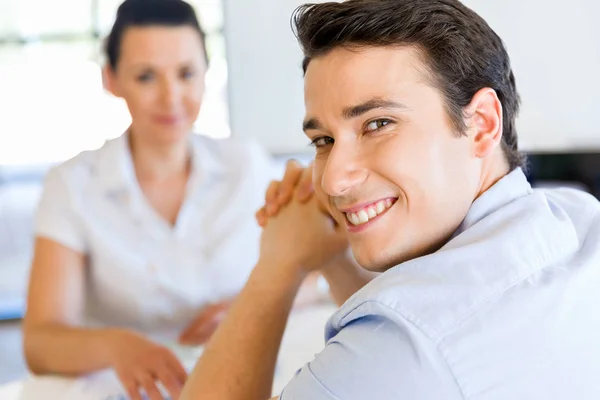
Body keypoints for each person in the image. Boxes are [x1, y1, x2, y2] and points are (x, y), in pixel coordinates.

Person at [180, 0, 600, 399]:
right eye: (323, 140)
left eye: (378, 124)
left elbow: (404, 347)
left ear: (483, 124)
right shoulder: (578, 218)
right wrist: (332, 257)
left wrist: (278, 266)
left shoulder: (400, 349)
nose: (333, 180)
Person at [21, 1, 289, 399]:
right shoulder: (73, 185)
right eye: (146, 76)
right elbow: (40, 342)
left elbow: (312, 273)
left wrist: (249, 309)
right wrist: (118, 346)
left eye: (186, 73)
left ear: (205, 74)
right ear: (111, 79)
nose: (171, 97)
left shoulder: (247, 165)